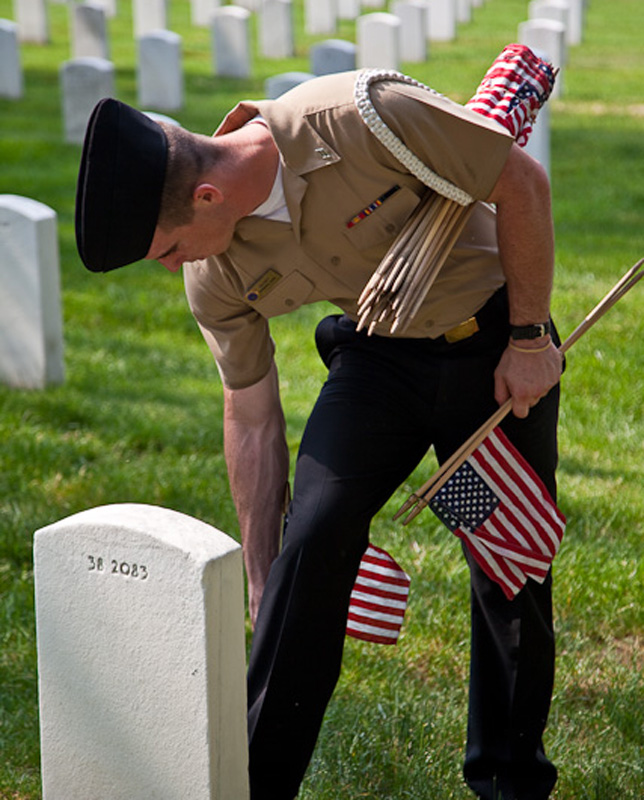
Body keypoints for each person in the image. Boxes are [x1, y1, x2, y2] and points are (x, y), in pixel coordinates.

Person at [75, 68, 564, 800]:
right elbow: (249, 407)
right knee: (311, 544)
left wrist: (528, 339)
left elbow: (520, 182)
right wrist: (260, 573)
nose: (176, 267)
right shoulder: (213, 274)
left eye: (170, 249)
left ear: (205, 197)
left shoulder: (361, 117)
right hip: (379, 356)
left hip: (494, 344)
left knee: (508, 565)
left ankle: (509, 779)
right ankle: (258, 784)